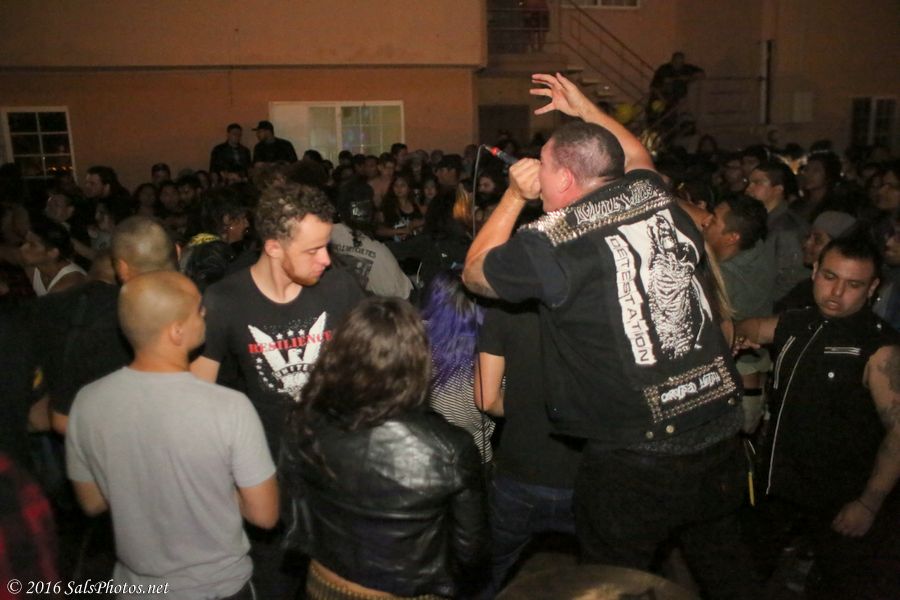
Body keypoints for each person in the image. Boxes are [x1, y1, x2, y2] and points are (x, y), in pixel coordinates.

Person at [462, 73, 756, 599]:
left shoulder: (552, 240)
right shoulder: (652, 193)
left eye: (543, 168)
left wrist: (512, 196)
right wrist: (586, 109)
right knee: (726, 567)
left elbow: (476, 273)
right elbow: (637, 154)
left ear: (564, 179)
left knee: (612, 581)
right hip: (718, 429)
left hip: (636, 453)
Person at [192, 182, 364, 599]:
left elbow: (368, 366)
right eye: (313, 250)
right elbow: (196, 400)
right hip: (266, 474)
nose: (326, 259)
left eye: (327, 246)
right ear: (272, 247)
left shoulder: (339, 287)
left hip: (334, 473)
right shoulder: (225, 299)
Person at [66, 271, 278, 599]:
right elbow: (265, 515)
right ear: (177, 331)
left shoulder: (87, 402)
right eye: (198, 310)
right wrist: (216, 490)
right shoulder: (229, 407)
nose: (205, 314)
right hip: (219, 588)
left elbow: (92, 502)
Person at [280, 297, 489, 599]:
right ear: (417, 362)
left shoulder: (303, 420)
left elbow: (292, 511)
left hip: (324, 583)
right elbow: (470, 552)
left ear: (339, 352)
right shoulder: (450, 449)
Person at [735, 236, 900, 598]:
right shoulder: (799, 322)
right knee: (742, 573)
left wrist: (868, 503)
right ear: (814, 273)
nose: (837, 292)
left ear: (872, 288)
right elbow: (752, 327)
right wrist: (738, 336)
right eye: (829, 277)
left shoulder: (878, 348)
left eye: (853, 284)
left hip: (838, 498)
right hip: (778, 485)